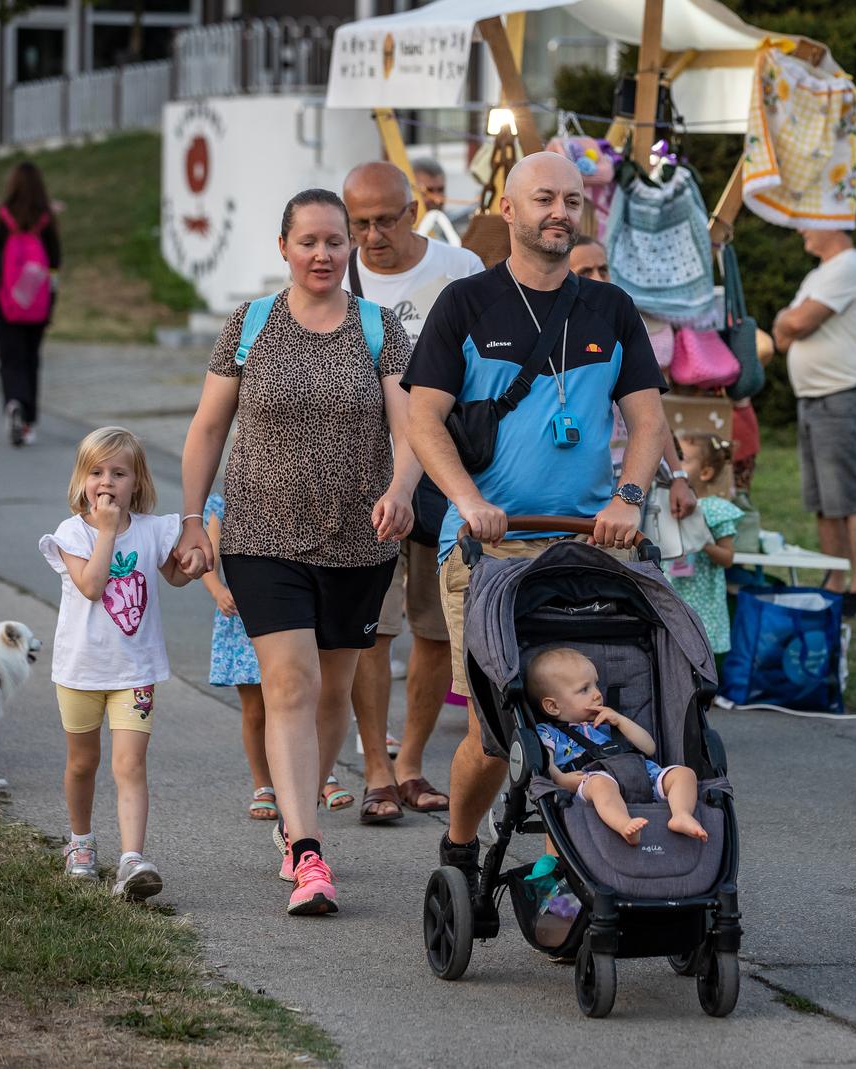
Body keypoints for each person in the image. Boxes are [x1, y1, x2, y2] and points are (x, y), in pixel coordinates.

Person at [404, 151, 669, 897]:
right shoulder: (465, 303)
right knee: (496, 730)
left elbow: (647, 419)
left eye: (573, 200)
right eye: (544, 198)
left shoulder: (608, 309)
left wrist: (627, 496)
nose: (560, 211)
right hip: (488, 548)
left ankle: (581, 858)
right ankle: (461, 845)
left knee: (586, 711)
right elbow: (423, 416)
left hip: (584, 547)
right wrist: (465, 497)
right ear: (511, 211)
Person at [178, 188, 419, 917]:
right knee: (288, 681)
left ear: (350, 250)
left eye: (335, 242)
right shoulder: (249, 326)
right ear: (283, 246)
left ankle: (295, 810)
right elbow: (207, 429)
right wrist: (193, 520)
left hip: (361, 537)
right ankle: (309, 851)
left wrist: (404, 486)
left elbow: (411, 432)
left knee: (331, 691)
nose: (323, 254)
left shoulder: (380, 329)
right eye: (308, 241)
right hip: (259, 534)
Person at [341, 160, 483, 822]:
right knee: (372, 628)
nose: (372, 236)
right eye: (358, 223)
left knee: (432, 626)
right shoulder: (334, 273)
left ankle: (411, 763)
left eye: (385, 220)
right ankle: (374, 767)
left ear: (414, 210)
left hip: (441, 475)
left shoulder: (459, 270)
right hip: (361, 476)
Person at [39, 427, 199, 900]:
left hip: (136, 672)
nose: (106, 481)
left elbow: (173, 575)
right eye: (96, 472)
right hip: (80, 671)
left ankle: (131, 859)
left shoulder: (153, 529)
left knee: (130, 765)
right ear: (81, 480)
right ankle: (81, 842)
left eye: (119, 472)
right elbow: (91, 585)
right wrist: (107, 530)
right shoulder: (72, 533)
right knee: (83, 763)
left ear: (137, 482)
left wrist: (191, 564)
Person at [772, 227, 856, 619]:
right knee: (823, 500)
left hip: (844, 395)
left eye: (807, 222)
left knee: (849, 497)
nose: (801, 229)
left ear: (831, 225)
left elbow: (795, 324)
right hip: (815, 398)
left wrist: (789, 320)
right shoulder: (818, 274)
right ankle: (836, 581)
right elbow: (783, 335)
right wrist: (789, 322)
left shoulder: (848, 267)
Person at [528, 647, 707, 844]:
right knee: (601, 786)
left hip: (642, 773)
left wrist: (620, 720)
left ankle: (681, 814)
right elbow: (545, 760)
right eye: (584, 689)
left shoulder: (607, 722)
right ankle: (624, 825)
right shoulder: (549, 732)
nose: (597, 694)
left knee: (684, 774)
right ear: (553, 706)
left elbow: (649, 748)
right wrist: (560, 779)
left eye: (596, 685)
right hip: (593, 778)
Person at [573, 235, 697, 520]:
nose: (599, 278)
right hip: (580, 478)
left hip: (632, 472)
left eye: (603, 269)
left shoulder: (623, 319)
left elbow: (651, 412)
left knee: (628, 563)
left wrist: (678, 475)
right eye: (585, 272)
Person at [200, 491, 277, 821]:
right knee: (256, 709)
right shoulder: (223, 502)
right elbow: (208, 560)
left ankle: (318, 776)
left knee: (298, 701)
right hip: (242, 617)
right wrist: (218, 590)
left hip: (288, 607)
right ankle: (263, 785)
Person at [0, 160, 61, 447]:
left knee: (9, 358)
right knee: (31, 358)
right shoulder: (46, 219)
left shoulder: (0, 216)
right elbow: (55, 262)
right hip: (39, 300)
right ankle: (27, 421)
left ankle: (13, 401)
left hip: (7, 301)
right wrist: (50, 299)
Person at [666, 432, 743, 659]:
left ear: (706, 472)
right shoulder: (665, 504)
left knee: (700, 662)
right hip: (671, 598)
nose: (674, 465)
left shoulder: (714, 510)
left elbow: (728, 557)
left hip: (703, 606)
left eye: (683, 459)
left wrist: (704, 544)